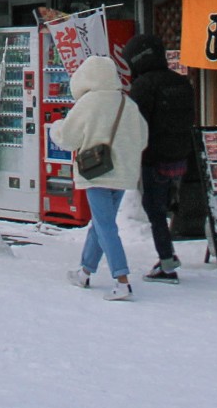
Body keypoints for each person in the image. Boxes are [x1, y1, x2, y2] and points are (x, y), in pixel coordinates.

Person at [46, 53, 149, 301]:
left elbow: (68, 138)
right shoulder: (128, 104)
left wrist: (56, 127)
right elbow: (142, 139)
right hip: (123, 174)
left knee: (105, 225)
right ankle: (84, 272)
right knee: (102, 223)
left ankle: (122, 279)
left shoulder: (88, 103)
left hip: (96, 172)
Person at [120, 33, 196, 283]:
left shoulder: (143, 85)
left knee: (154, 210)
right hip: (181, 156)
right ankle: (168, 254)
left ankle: (167, 262)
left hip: (154, 157)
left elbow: (135, 124)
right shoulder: (181, 82)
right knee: (166, 205)